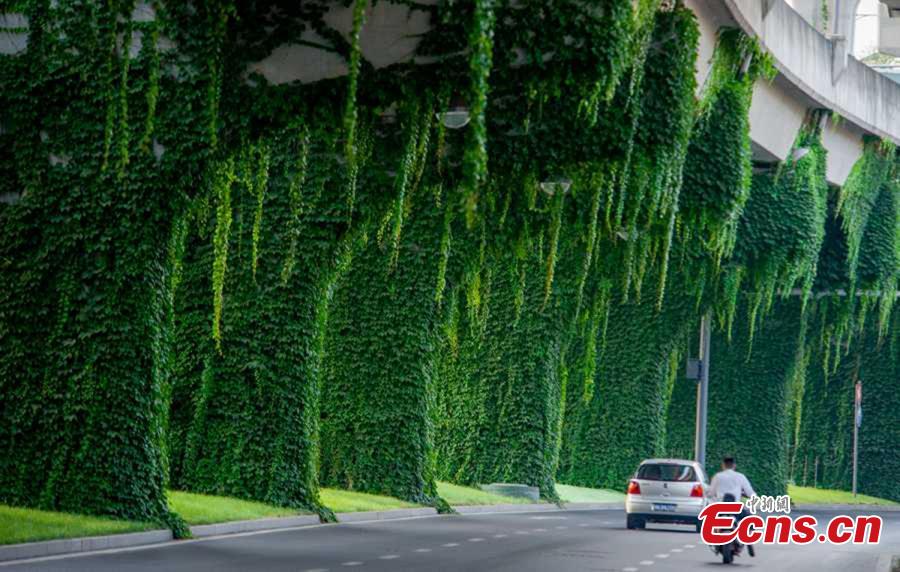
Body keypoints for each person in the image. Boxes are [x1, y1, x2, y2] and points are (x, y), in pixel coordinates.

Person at [708, 456, 756, 557]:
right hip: (736, 508)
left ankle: (714, 538)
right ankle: (748, 541)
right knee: (750, 520)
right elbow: (750, 492)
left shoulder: (717, 476)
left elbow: (710, 493)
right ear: (734, 465)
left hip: (720, 508)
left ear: (723, 465)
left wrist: (711, 495)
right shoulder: (740, 476)